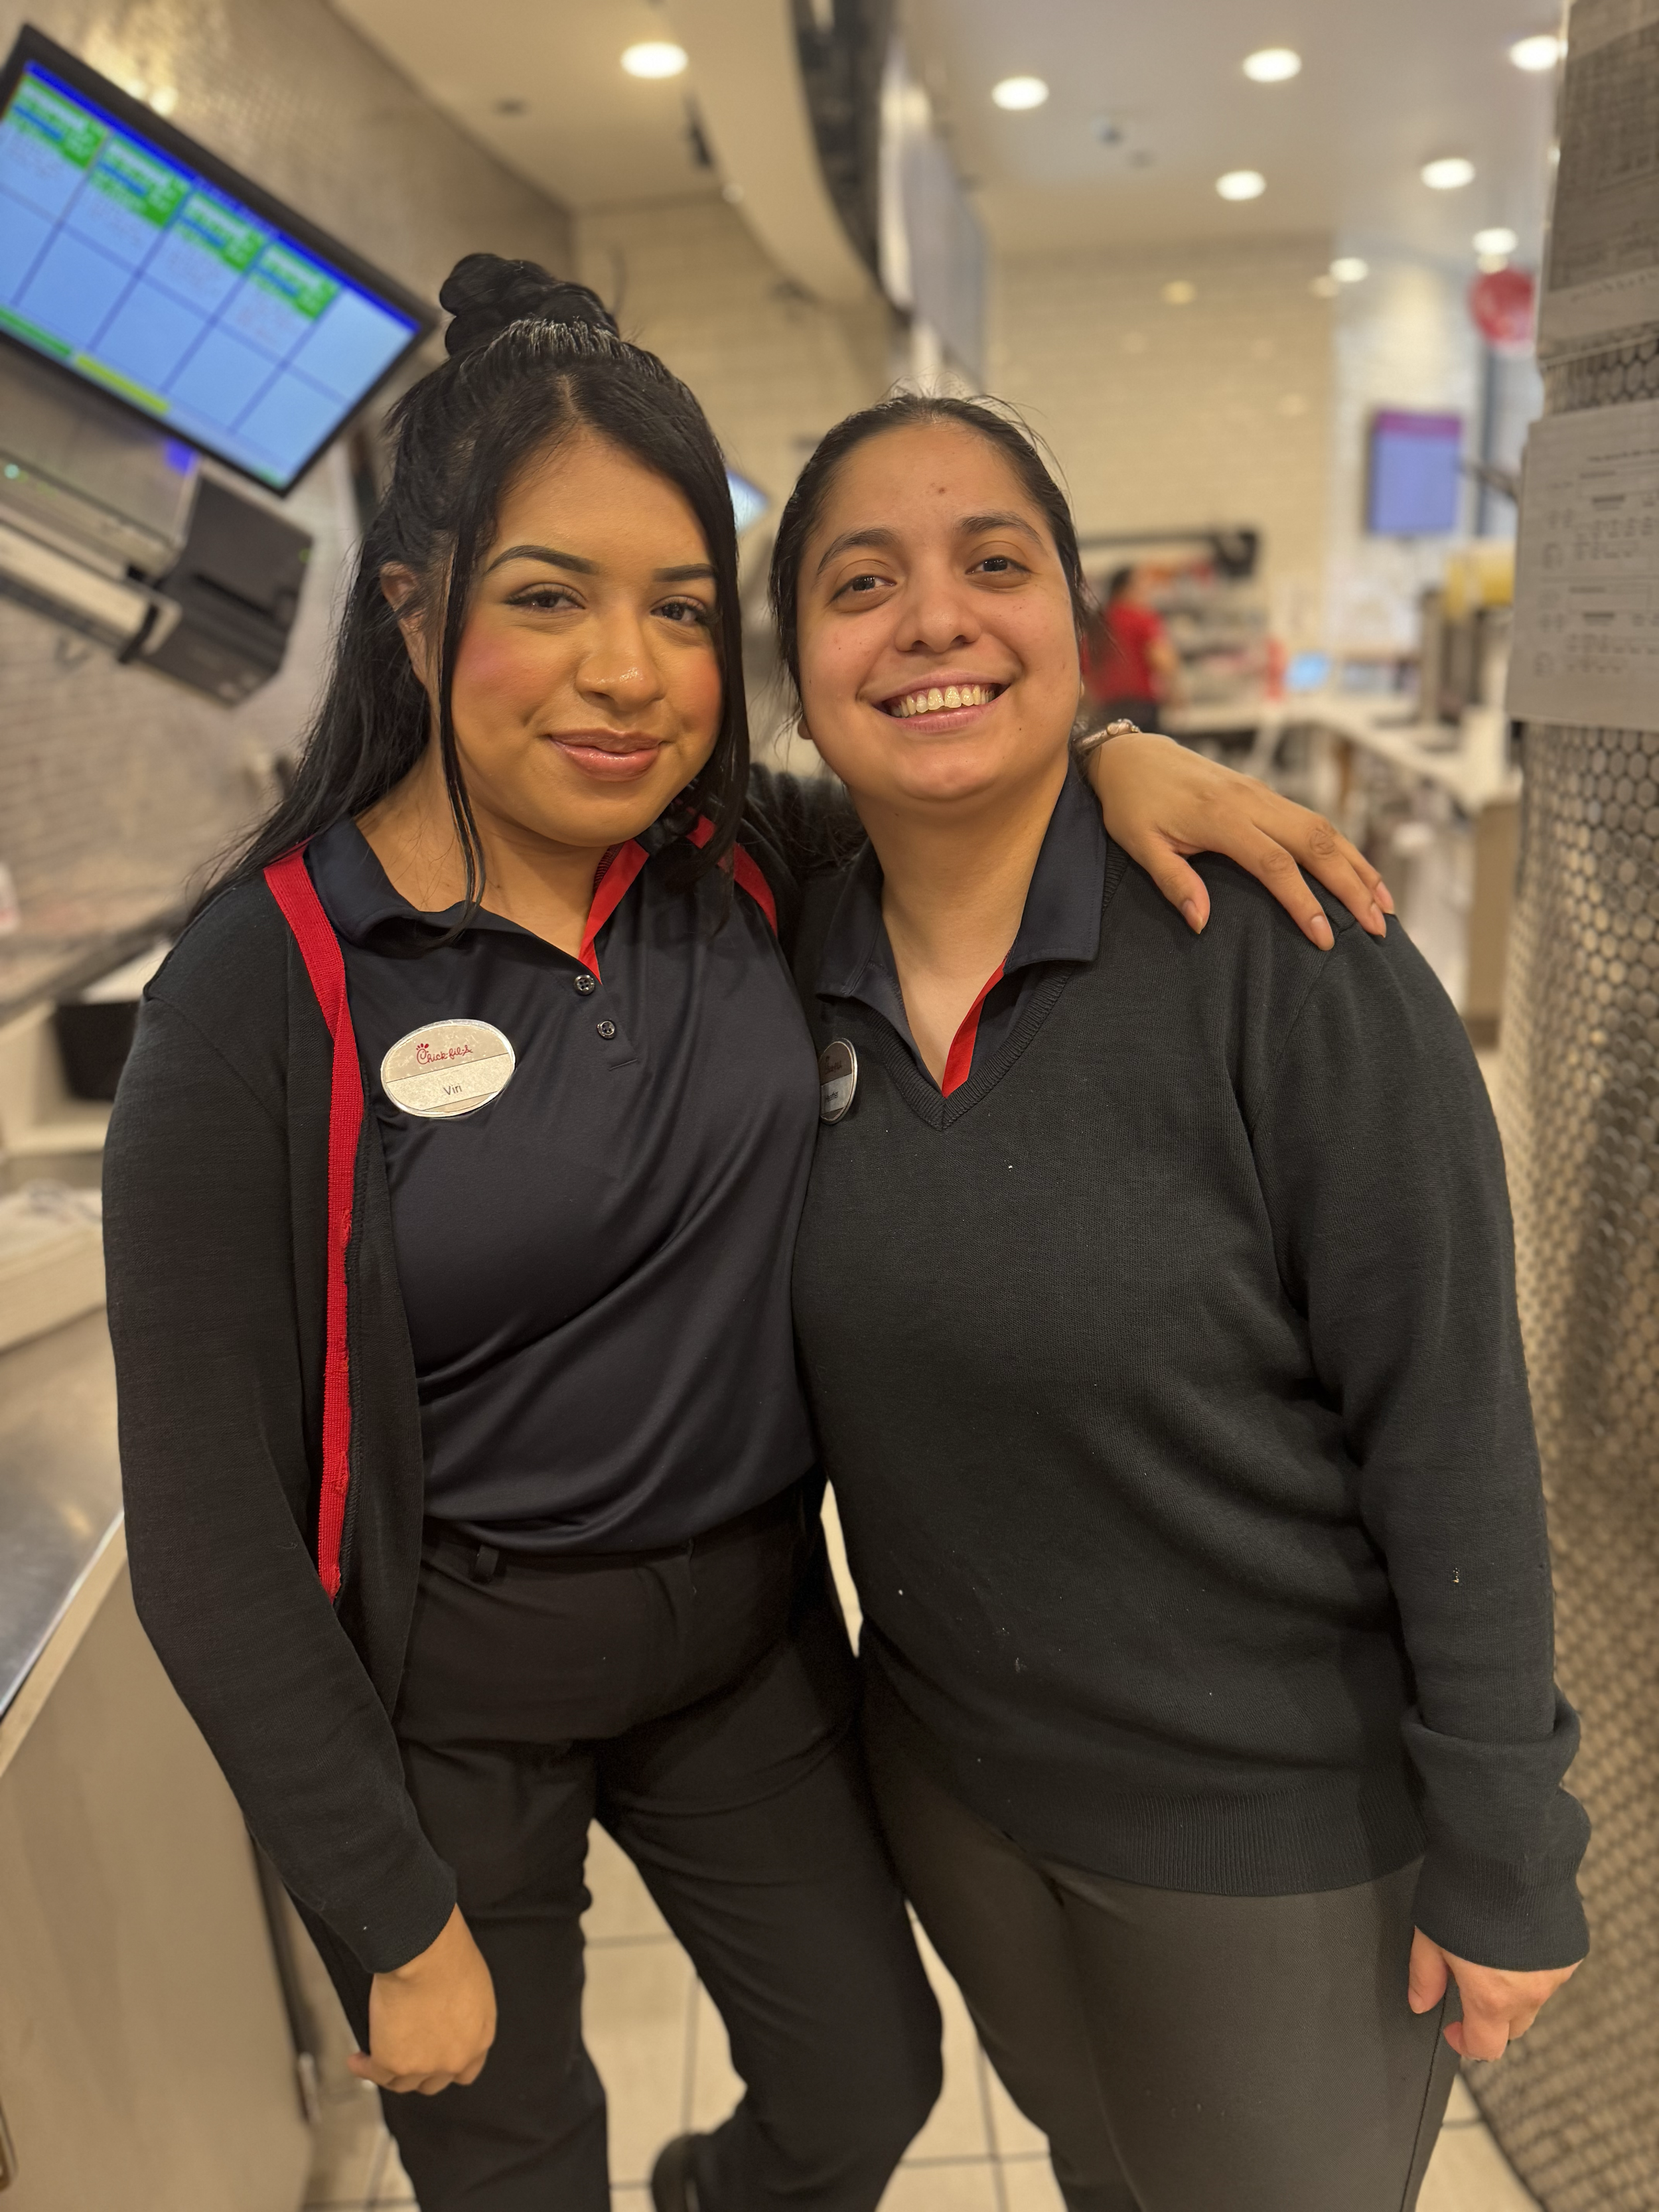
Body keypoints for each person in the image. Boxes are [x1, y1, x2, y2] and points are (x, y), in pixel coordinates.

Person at [102, 259, 1393, 2212]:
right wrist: (385, 1905)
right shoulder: (264, 982)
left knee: (861, 2087)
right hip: (447, 1707)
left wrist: (1121, 744)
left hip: (746, 1668)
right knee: (510, 2164)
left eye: (682, 610)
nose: (628, 673)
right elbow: (204, 1533)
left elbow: (952, 765)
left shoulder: (737, 861)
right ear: (413, 605)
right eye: (548, 598)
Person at [771, 394, 1589, 2212]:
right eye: (860, 581)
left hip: (1270, 1842)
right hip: (959, 1803)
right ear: (798, 670)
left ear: (1074, 618)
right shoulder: (778, 962)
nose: (933, 619)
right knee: (1102, 2176)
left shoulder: (1289, 955)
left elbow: (1448, 1417)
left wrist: (1505, 1839)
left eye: (995, 564)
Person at [1082, 564, 1179, 733]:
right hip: (1141, 707)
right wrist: (1176, 693)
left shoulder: (1097, 624)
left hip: (1106, 709)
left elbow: (1084, 670)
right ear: (1128, 588)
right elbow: (1162, 660)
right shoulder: (1141, 618)